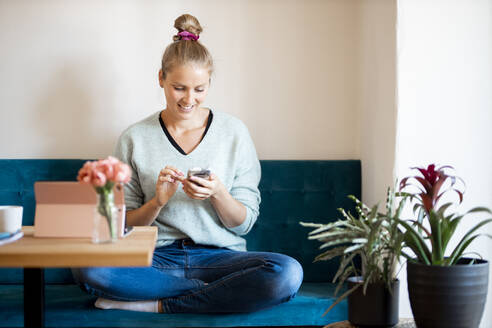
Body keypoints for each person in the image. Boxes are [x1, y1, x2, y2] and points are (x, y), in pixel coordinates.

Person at [72, 14, 303, 314]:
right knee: (86, 266)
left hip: (221, 259)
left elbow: (243, 224)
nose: (188, 100)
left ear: (209, 84)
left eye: (199, 89)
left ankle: (153, 304)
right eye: (179, 87)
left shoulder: (234, 133)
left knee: (287, 273)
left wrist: (218, 192)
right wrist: (157, 201)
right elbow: (124, 225)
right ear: (161, 79)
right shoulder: (134, 138)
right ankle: (215, 296)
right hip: (154, 258)